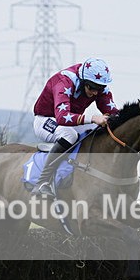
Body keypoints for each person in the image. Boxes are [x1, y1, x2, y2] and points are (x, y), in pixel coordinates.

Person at [31, 57, 119, 195]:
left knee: (97, 131)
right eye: (92, 88)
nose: (95, 93)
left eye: (99, 89)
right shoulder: (64, 82)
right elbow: (62, 117)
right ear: (83, 81)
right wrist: (93, 118)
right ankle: (42, 181)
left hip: (70, 122)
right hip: (46, 120)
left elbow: (114, 115)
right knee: (69, 135)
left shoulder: (98, 86)